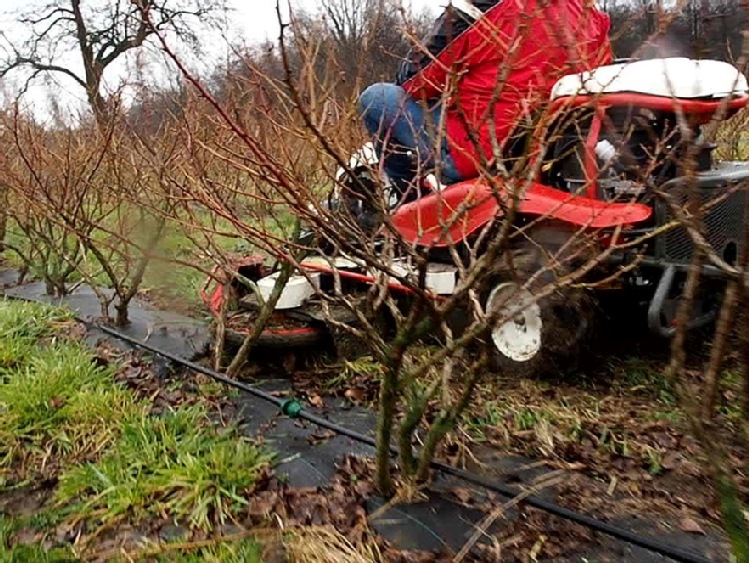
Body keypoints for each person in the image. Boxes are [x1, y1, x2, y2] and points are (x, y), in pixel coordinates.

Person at [357, 0, 613, 204]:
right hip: (551, 150)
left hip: (481, 152)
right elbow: (603, 77)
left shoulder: (481, 7)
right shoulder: (588, 12)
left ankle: (410, 209)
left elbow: (417, 80)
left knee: (377, 98)